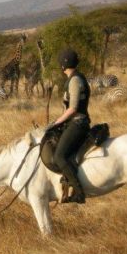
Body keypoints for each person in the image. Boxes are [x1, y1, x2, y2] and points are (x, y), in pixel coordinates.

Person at [51, 48, 91, 204]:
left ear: (63, 66)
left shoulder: (74, 80)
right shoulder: (77, 77)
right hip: (76, 122)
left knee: (59, 156)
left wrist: (56, 122)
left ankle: (79, 193)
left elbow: (73, 108)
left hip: (78, 123)